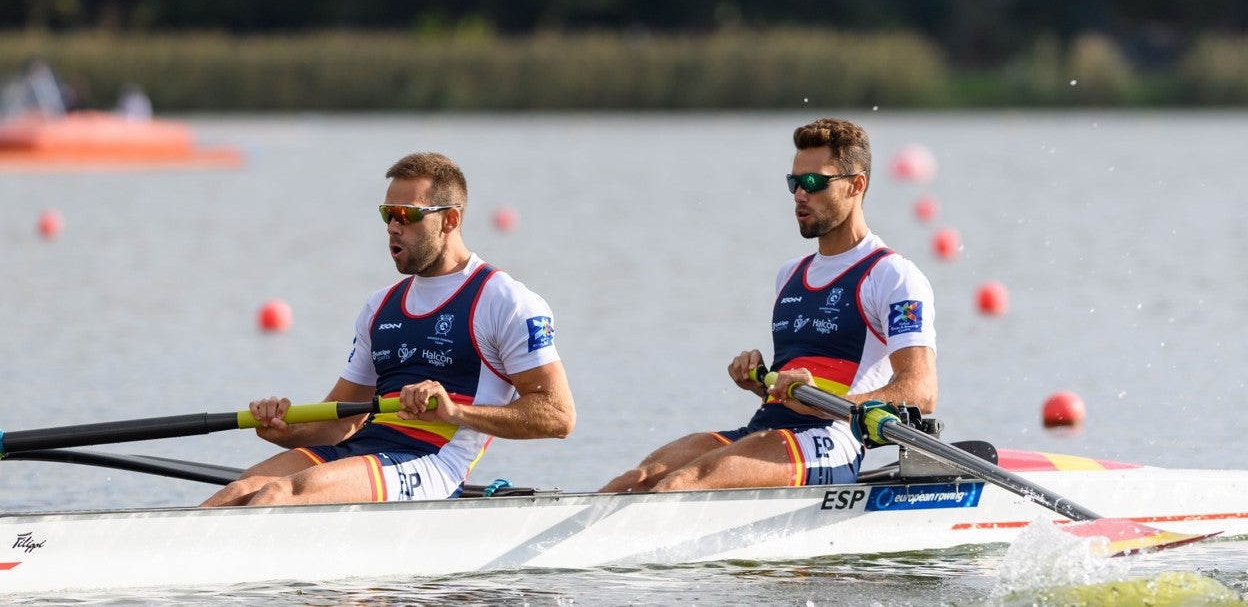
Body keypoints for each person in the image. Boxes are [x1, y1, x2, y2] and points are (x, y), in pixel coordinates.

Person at [203, 152, 576, 506]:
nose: (393, 227)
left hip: (431, 461)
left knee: (278, 495)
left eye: (406, 215)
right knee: (245, 488)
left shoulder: (504, 301)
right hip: (363, 449)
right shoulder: (380, 306)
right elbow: (341, 423)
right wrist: (285, 430)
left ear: (449, 220)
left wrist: (456, 412)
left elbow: (558, 415)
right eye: (387, 214)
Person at [600, 117, 936, 492]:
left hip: (830, 438)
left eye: (813, 183)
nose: (799, 195)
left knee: (682, 484)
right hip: (764, 431)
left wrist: (825, 402)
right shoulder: (790, 274)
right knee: (635, 482)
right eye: (794, 183)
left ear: (856, 185)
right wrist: (761, 381)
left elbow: (921, 392)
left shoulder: (891, 275)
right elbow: (790, 385)